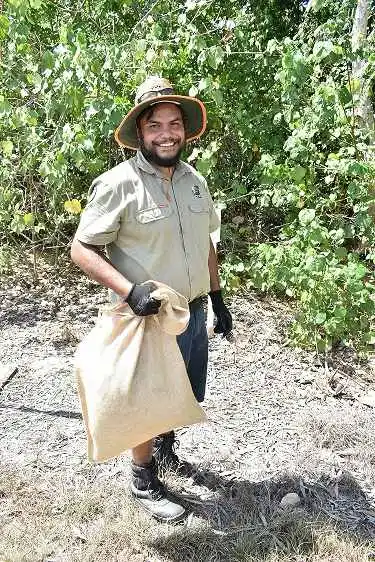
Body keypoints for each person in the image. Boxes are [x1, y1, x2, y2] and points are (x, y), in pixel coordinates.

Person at [71, 76, 232, 522]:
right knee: (145, 398)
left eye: (174, 123)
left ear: (185, 129)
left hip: (191, 313)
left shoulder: (194, 181)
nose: (167, 133)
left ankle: (164, 449)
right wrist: (130, 290)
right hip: (146, 316)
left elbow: (205, 244)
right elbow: (81, 248)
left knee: (181, 391)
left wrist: (217, 298)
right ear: (140, 133)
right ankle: (143, 477)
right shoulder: (117, 184)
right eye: (155, 125)